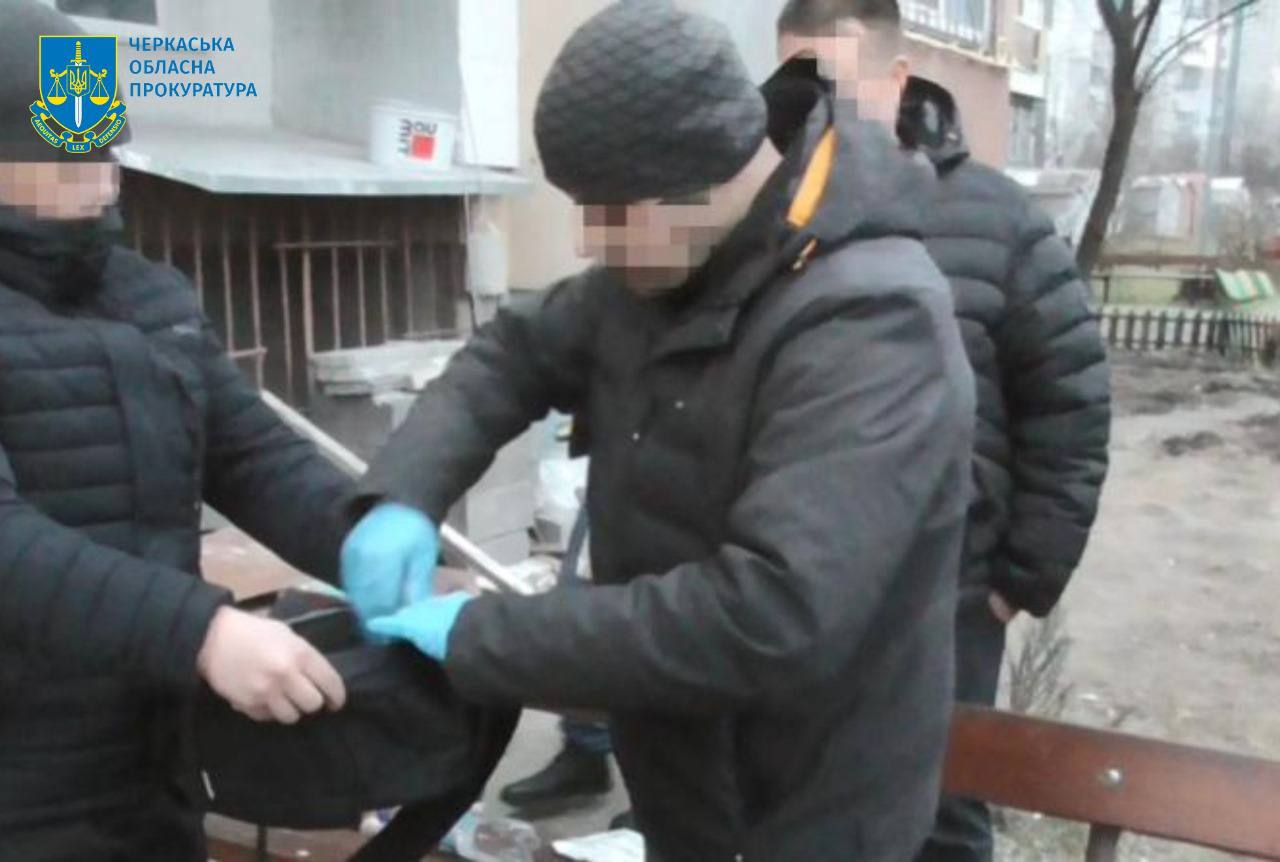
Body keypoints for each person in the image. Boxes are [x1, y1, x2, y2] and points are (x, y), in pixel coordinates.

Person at [340, 1, 976, 858]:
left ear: (704, 178)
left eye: (609, 211)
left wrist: (484, 634)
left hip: (812, 805)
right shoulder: (661, 266)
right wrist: (406, 491)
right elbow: (513, 352)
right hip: (681, 776)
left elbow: (771, 615)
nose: (588, 239)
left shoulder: (872, 322)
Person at [0, 3, 356, 857]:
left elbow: (253, 456)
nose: (101, 177)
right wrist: (200, 631)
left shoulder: (147, 295)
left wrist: (372, 538)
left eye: (105, 144)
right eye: (66, 151)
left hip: (154, 759)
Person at [774, 2, 1112, 859]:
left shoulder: (999, 220)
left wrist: (1017, 581)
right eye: (793, 85)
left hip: (950, 595)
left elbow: (1071, 407)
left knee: (945, 811)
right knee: (804, 801)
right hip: (799, 587)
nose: (813, 109)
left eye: (834, 83)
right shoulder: (769, 217)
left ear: (896, 81)